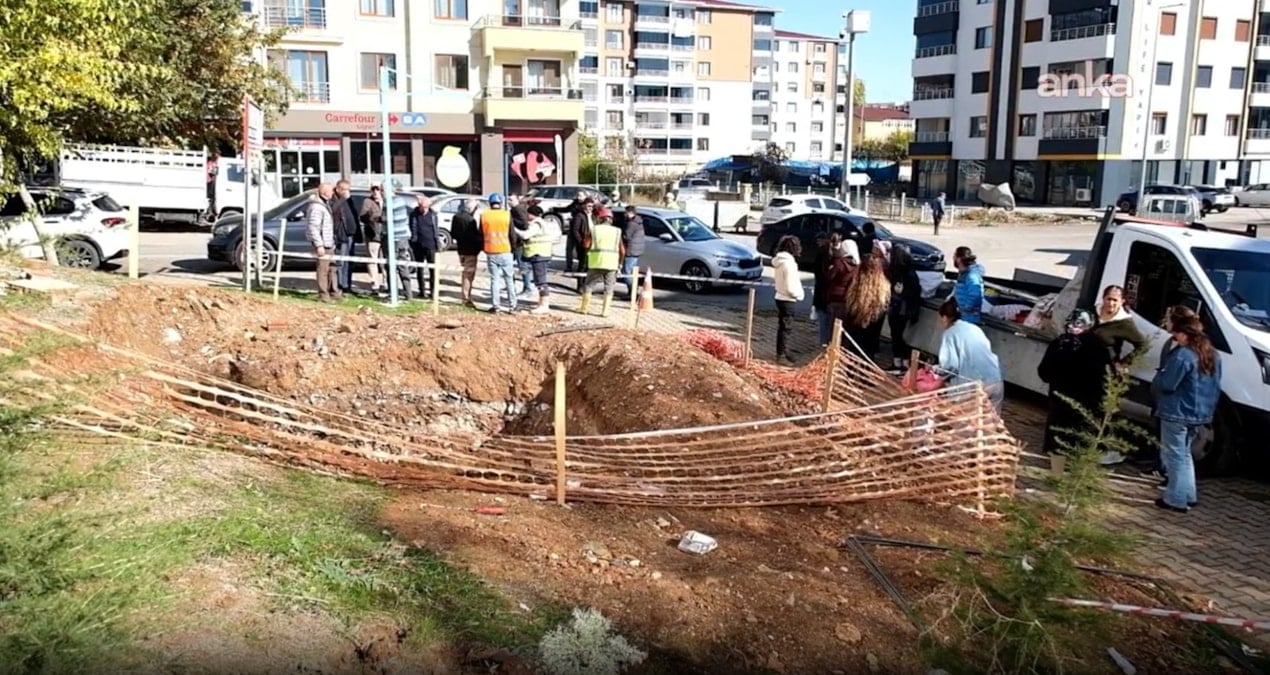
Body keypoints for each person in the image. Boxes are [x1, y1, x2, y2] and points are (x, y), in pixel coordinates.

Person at [1152, 314, 1223, 513]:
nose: (1174, 338)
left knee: (1174, 456)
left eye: (1175, 334)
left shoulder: (1183, 355)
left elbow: (1167, 384)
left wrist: (1160, 374)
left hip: (1176, 411)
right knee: (1184, 455)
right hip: (1200, 413)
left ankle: (1175, 499)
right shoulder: (1213, 355)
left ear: (1184, 335)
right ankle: (1188, 494)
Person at [1037, 309, 1113, 473]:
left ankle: (1056, 476)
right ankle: (1076, 481)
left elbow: (1043, 372)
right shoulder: (1099, 347)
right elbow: (1108, 377)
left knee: (1058, 442)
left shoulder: (1059, 343)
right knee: (1083, 441)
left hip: (1061, 403)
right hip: (1089, 405)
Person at [1143, 305, 1200, 483]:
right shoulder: (1175, 344)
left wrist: (1159, 382)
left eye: (1168, 318)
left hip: (1175, 406)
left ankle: (1175, 489)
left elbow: (1170, 380)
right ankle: (1164, 470)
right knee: (1177, 450)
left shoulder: (1183, 351)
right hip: (1173, 404)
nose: (1165, 322)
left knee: (1176, 451)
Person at [935, 299, 1004, 411]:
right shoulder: (974, 328)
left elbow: (950, 366)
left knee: (966, 425)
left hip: (973, 386)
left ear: (944, 317)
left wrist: (937, 371)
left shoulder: (949, 334)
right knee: (991, 425)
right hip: (995, 380)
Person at [578, 206, 624, 317]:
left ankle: (584, 309)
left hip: (596, 262)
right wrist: (620, 264)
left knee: (588, 285)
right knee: (609, 287)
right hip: (612, 263)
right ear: (610, 219)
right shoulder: (617, 231)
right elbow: (622, 250)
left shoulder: (594, 229)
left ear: (600, 218)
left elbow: (586, 244)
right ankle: (605, 312)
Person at [1091, 284, 1150, 368]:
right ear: (1103, 298)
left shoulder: (1124, 322)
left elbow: (1143, 345)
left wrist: (1124, 363)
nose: (1111, 303)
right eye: (1109, 299)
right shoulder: (1092, 312)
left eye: (1115, 300)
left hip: (1101, 369)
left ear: (1122, 301)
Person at [886, 243, 923, 372]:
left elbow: (914, 293)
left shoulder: (908, 274)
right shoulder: (905, 271)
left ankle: (902, 363)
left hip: (902, 310)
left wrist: (902, 292)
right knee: (897, 336)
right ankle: (899, 362)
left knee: (900, 337)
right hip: (899, 308)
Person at [480, 193, 517, 313]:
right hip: (505, 250)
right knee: (509, 280)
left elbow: (481, 233)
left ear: (490, 203)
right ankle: (513, 306)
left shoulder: (484, 215)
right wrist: (514, 249)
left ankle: (496, 307)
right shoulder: (507, 215)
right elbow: (512, 234)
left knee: (494, 280)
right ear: (500, 203)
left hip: (491, 250)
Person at [772, 235, 804, 365]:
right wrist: (798, 294)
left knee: (783, 328)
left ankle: (782, 352)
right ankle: (783, 354)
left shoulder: (779, 261)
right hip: (788, 299)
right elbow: (791, 286)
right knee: (786, 329)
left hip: (780, 296)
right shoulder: (789, 264)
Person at [305, 182, 338, 302]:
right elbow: (314, 227)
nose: (333, 193)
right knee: (323, 270)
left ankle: (332, 292)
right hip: (323, 243)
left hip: (329, 242)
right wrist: (319, 245)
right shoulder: (316, 207)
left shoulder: (324, 204)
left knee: (331, 268)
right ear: (324, 192)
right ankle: (323, 294)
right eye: (331, 191)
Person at [520, 204, 556, 314]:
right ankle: (541, 303)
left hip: (538, 254)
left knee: (540, 281)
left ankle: (544, 305)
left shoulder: (536, 224)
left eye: (528, 213)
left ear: (532, 214)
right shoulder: (543, 223)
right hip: (542, 254)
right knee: (539, 280)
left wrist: (515, 230)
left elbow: (526, 236)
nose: (526, 215)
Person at [825, 237, 861, 337]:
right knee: (845, 327)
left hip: (835, 297)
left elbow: (829, 276)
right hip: (848, 298)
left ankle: (832, 348)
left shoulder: (839, 263)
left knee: (833, 327)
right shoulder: (857, 265)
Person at [450, 198, 483, 307]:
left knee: (465, 272)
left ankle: (466, 295)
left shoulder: (456, 217)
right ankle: (466, 298)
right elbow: (474, 237)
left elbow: (453, 233)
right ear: (472, 208)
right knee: (468, 275)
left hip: (461, 249)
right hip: (471, 250)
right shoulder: (471, 220)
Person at [330, 180, 358, 295]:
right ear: (338, 189)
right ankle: (340, 285)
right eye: (344, 189)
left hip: (351, 234)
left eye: (348, 189)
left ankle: (348, 285)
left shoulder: (349, 200)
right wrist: (343, 199)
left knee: (349, 262)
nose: (347, 192)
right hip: (342, 235)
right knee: (341, 261)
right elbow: (332, 210)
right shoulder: (334, 200)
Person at [408, 195, 439, 299]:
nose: (424, 209)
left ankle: (433, 292)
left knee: (433, 270)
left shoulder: (433, 215)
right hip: (418, 245)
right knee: (419, 269)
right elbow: (412, 228)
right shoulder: (414, 215)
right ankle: (422, 291)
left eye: (426, 207)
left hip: (431, 245)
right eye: (422, 207)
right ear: (419, 206)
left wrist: (437, 243)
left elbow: (436, 230)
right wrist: (413, 241)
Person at [810, 234, 838, 347]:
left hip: (822, 292)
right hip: (829, 293)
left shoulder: (823, 252)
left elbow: (818, 271)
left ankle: (824, 343)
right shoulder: (834, 254)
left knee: (823, 319)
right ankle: (828, 342)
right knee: (829, 320)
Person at [359, 185, 385, 293]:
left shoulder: (387, 201)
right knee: (372, 260)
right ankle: (375, 283)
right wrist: (371, 218)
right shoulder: (367, 202)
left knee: (384, 260)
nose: (375, 191)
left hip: (385, 235)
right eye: (373, 189)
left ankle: (386, 282)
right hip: (372, 235)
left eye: (377, 189)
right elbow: (362, 216)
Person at [952, 246, 985, 324]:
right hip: (964, 316)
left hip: (969, 318)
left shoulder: (971, 275)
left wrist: (966, 308)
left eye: (954, 256)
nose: (953, 258)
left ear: (959, 259)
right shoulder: (963, 274)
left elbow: (975, 294)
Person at [570, 198, 595, 291]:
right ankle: (580, 285)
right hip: (583, 244)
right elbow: (575, 230)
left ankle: (586, 285)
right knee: (582, 265)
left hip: (592, 243)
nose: (590, 208)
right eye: (589, 206)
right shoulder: (579, 216)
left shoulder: (593, 216)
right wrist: (580, 241)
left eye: (592, 206)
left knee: (589, 265)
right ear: (584, 205)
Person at [620, 204, 644, 301]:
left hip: (631, 250)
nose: (624, 214)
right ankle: (632, 293)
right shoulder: (638, 221)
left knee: (626, 273)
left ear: (630, 213)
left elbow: (626, 236)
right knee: (631, 272)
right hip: (636, 251)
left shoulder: (631, 224)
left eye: (625, 212)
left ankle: (633, 291)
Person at [564, 191, 589, 273]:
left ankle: (583, 267)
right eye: (578, 195)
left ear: (585, 196)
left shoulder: (587, 204)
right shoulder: (575, 203)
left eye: (581, 196)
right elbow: (566, 208)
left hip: (583, 230)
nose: (579, 197)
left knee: (582, 250)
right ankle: (569, 266)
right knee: (569, 249)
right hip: (573, 228)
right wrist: (555, 209)